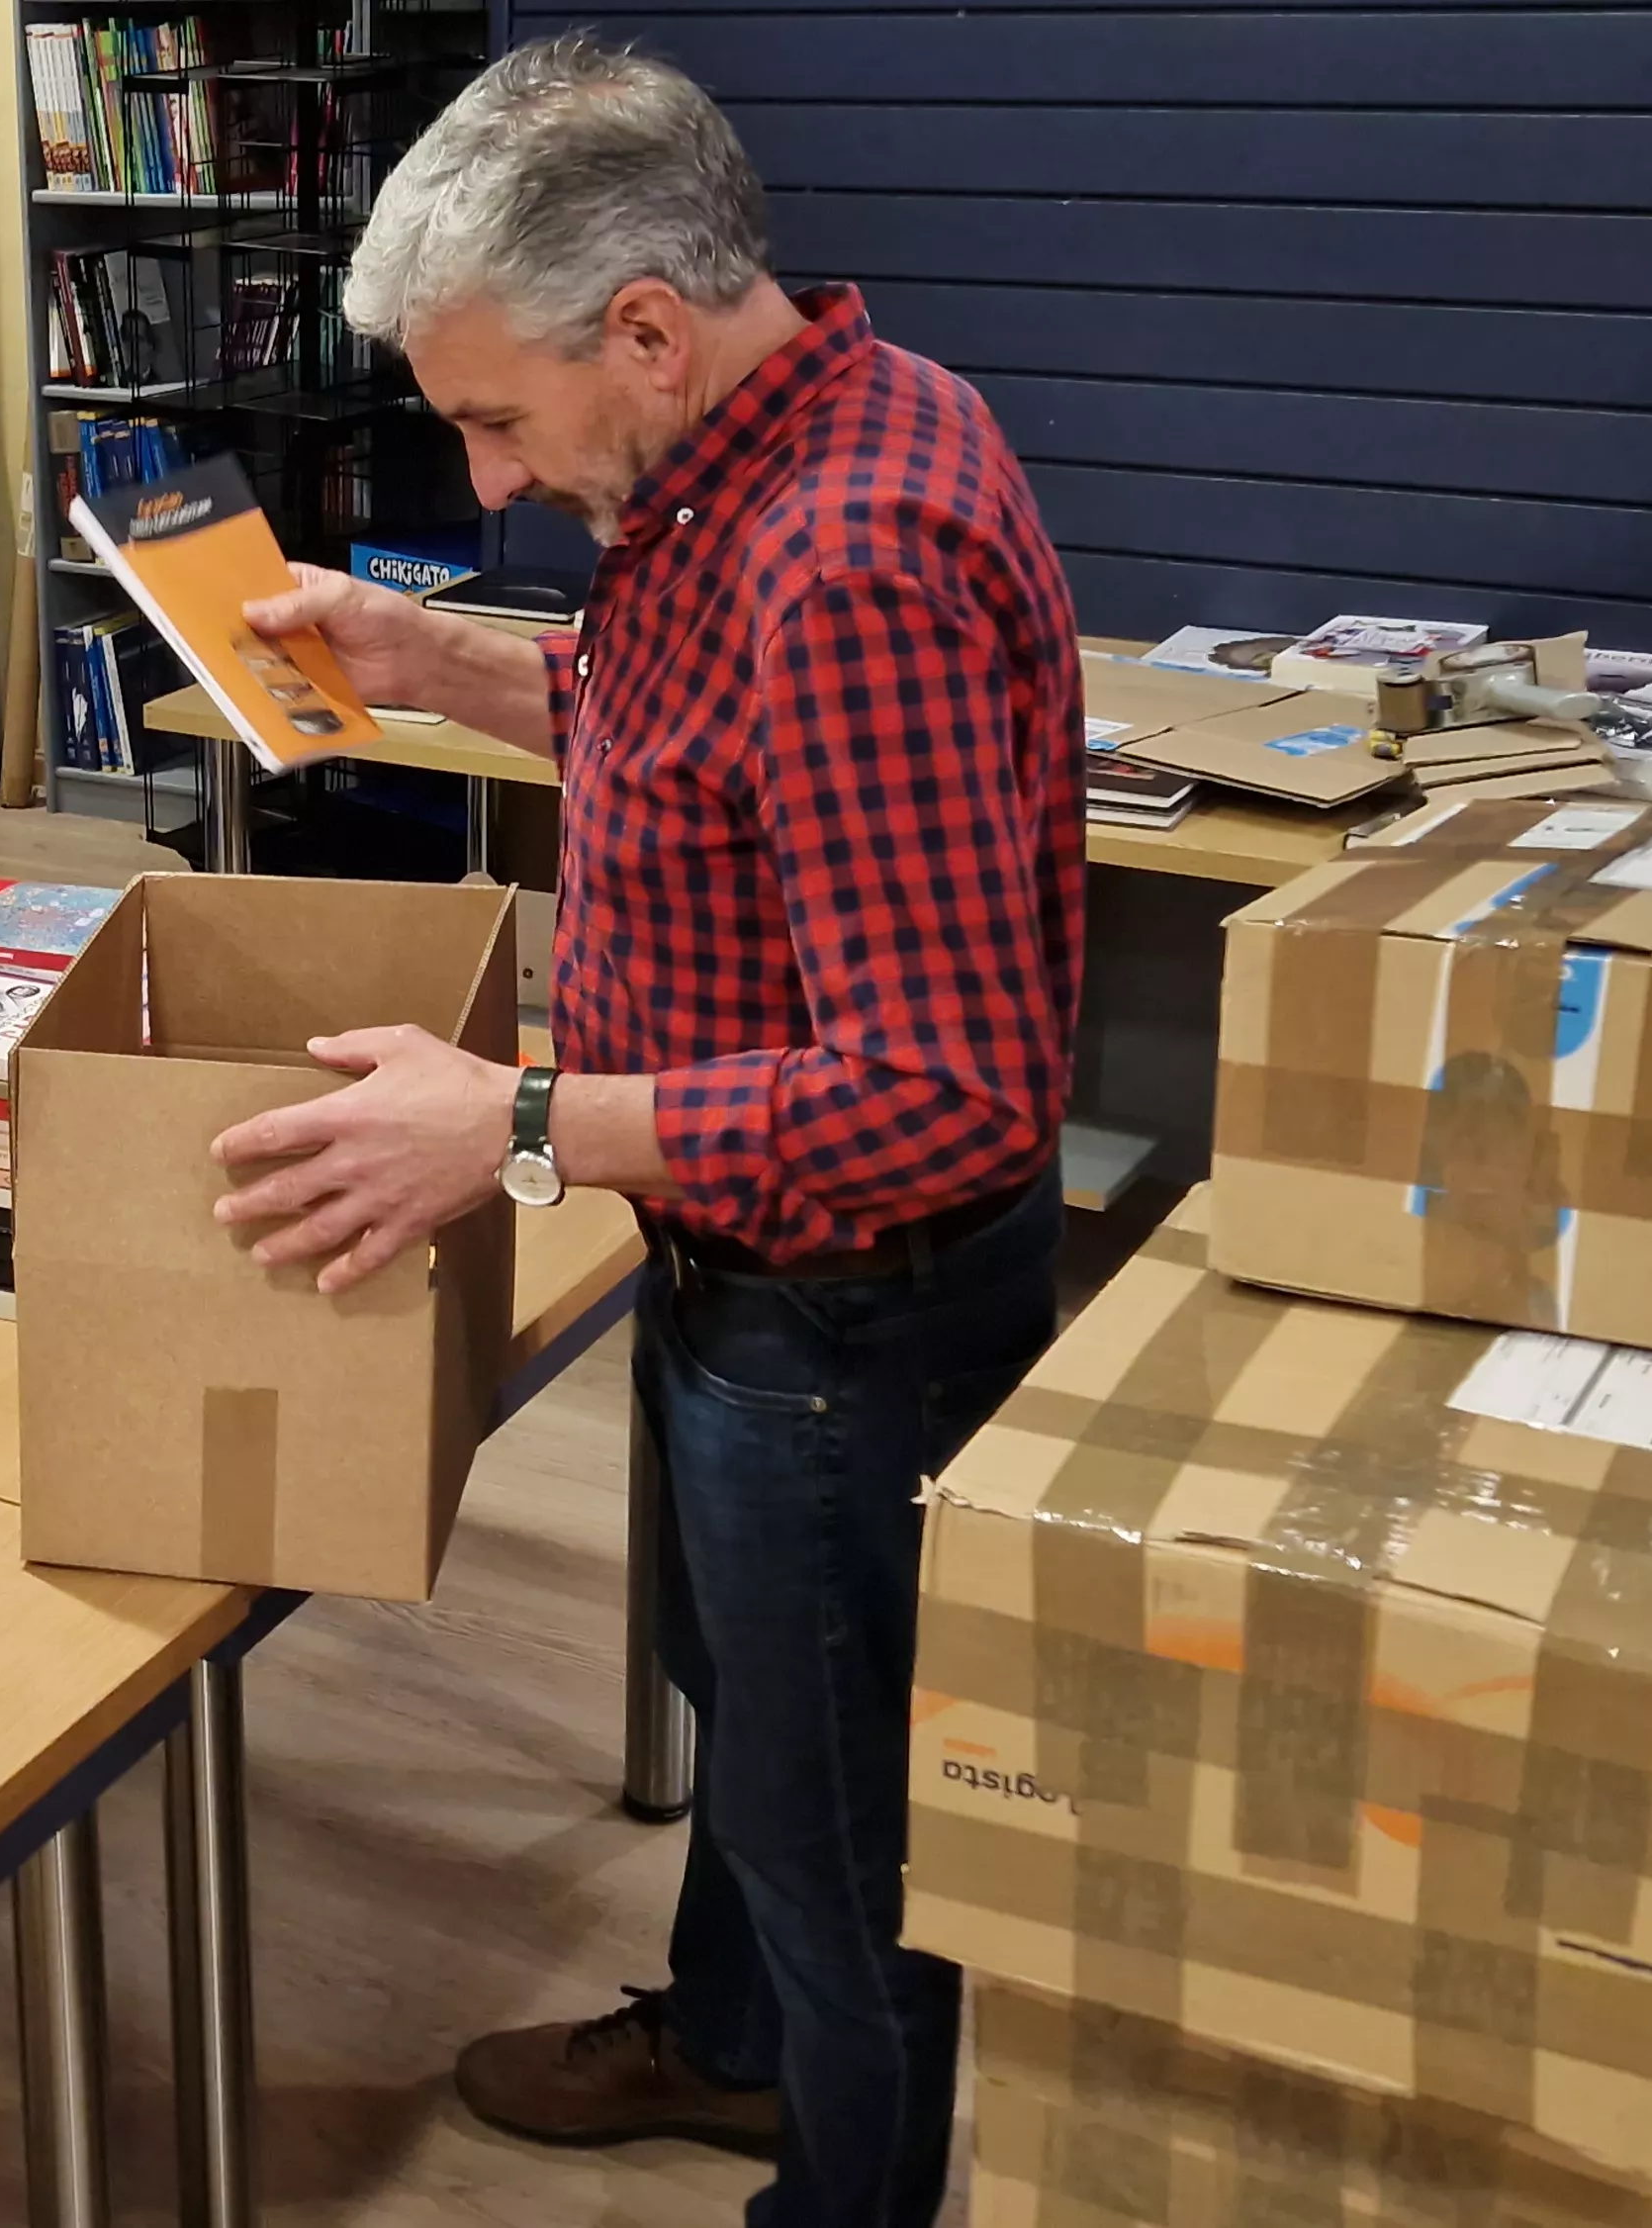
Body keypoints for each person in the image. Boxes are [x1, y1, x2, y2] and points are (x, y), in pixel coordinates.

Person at [208, 40, 1082, 2228]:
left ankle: (841, 2185)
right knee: (753, 1721)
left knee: (835, 1840)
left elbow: (937, 1091)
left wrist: (508, 1123)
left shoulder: (846, 553)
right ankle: (722, 2049)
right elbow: (676, 734)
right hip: (747, 1291)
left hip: (835, 1320)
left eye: (493, 420)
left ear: (645, 330)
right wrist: (436, 661)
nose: (483, 476)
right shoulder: (765, 453)